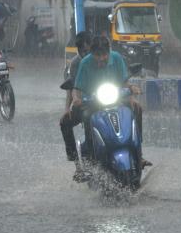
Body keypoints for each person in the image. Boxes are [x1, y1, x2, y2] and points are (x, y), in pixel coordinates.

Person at [60, 36, 151, 176]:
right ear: (92, 54)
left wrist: (131, 94)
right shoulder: (85, 63)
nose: (102, 58)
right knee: (73, 119)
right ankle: (84, 159)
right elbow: (76, 88)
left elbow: (125, 82)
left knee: (137, 109)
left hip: (116, 98)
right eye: (98, 55)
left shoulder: (117, 58)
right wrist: (76, 99)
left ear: (109, 52)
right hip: (92, 102)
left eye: (104, 54)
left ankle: (139, 153)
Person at [59, 31, 92, 162]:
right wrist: (67, 109)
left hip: (105, 101)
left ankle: (136, 154)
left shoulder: (100, 58)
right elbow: (71, 88)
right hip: (83, 103)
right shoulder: (74, 63)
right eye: (81, 51)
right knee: (65, 122)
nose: (85, 54)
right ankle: (75, 159)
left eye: (87, 51)